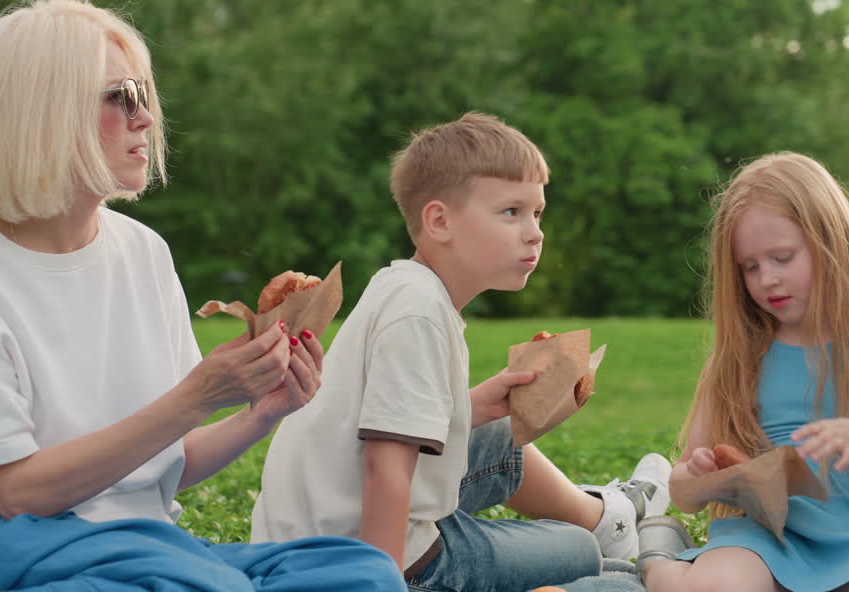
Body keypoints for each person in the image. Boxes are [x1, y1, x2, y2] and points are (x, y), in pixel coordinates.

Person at [0, 0, 403, 591]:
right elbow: (15, 493)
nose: (146, 118)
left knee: (361, 572)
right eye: (122, 97)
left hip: (143, 549)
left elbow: (173, 459)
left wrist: (264, 412)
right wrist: (194, 398)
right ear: (41, 112)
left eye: (145, 94)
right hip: (13, 545)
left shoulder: (143, 252)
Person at [251, 112, 671, 592]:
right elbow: (384, 466)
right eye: (511, 212)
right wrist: (376, 586)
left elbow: (379, 426)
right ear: (439, 221)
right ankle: (628, 552)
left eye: (537, 213)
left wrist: (471, 408)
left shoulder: (403, 287)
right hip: (366, 562)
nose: (535, 232)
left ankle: (612, 524)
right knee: (586, 559)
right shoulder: (420, 314)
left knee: (517, 460)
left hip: (319, 535)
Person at [637, 152, 849, 592]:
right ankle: (660, 562)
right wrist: (700, 478)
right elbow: (683, 490)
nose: (767, 280)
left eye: (782, 258)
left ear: (831, 244)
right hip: (765, 538)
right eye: (750, 267)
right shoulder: (737, 360)